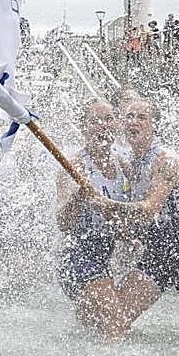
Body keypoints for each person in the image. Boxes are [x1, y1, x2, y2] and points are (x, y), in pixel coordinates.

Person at [109, 98, 179, 339]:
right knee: (113, 323)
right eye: (129, 117)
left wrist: (107, 204)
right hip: (156, 253)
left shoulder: (166, 161)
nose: (134, 121)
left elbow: (150, 209)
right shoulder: (132, 162)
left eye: (141, 117)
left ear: (154, 126)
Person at [55, 98, 131, 338]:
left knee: (93, 333)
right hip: (77, 258)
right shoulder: (73, 166)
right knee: (115, 324)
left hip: (105, 259)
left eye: (109, 119)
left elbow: (130, 215)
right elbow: (63, 223)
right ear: (84, 127)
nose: (104, 126)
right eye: (96, 121)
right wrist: (79, 196)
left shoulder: (123, 165)